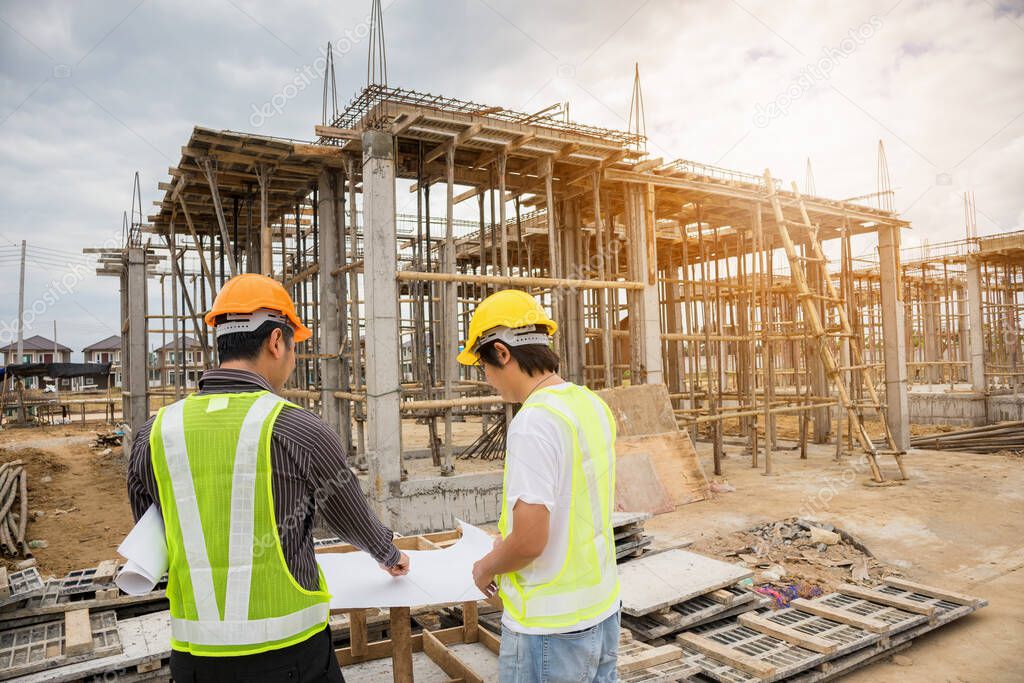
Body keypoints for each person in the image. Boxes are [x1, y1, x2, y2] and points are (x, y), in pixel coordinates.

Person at [127, 273, 410, 683]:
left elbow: (150, 531)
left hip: (194, 660)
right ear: (276, 342)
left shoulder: (153, 434)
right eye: (294, 347)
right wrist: (390, 554)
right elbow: (352, 518)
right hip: (291, 658)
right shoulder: (299, 429)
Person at [464, 290, 620, 683]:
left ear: (502, 353)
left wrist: (485, 569)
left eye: (483, 366)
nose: (487, 379)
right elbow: (578, 507)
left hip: (549, 629)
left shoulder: (533, 422)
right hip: (601, 612)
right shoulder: (590, 404)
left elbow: (532, 541)